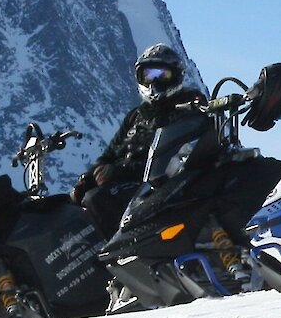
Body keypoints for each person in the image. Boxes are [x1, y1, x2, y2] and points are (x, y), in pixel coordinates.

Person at [71, 44, 206, 235]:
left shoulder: (187, 107)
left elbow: (173, 159)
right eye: (149, 75)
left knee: (97, 199)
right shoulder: (136, 115)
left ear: (176, 75)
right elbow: (110, 153)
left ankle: (114, 254)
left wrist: (118, 172)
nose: (155, 82)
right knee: (73, 204)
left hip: (162, 185)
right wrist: (89, 177)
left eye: (163, 75)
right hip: (130, 184)